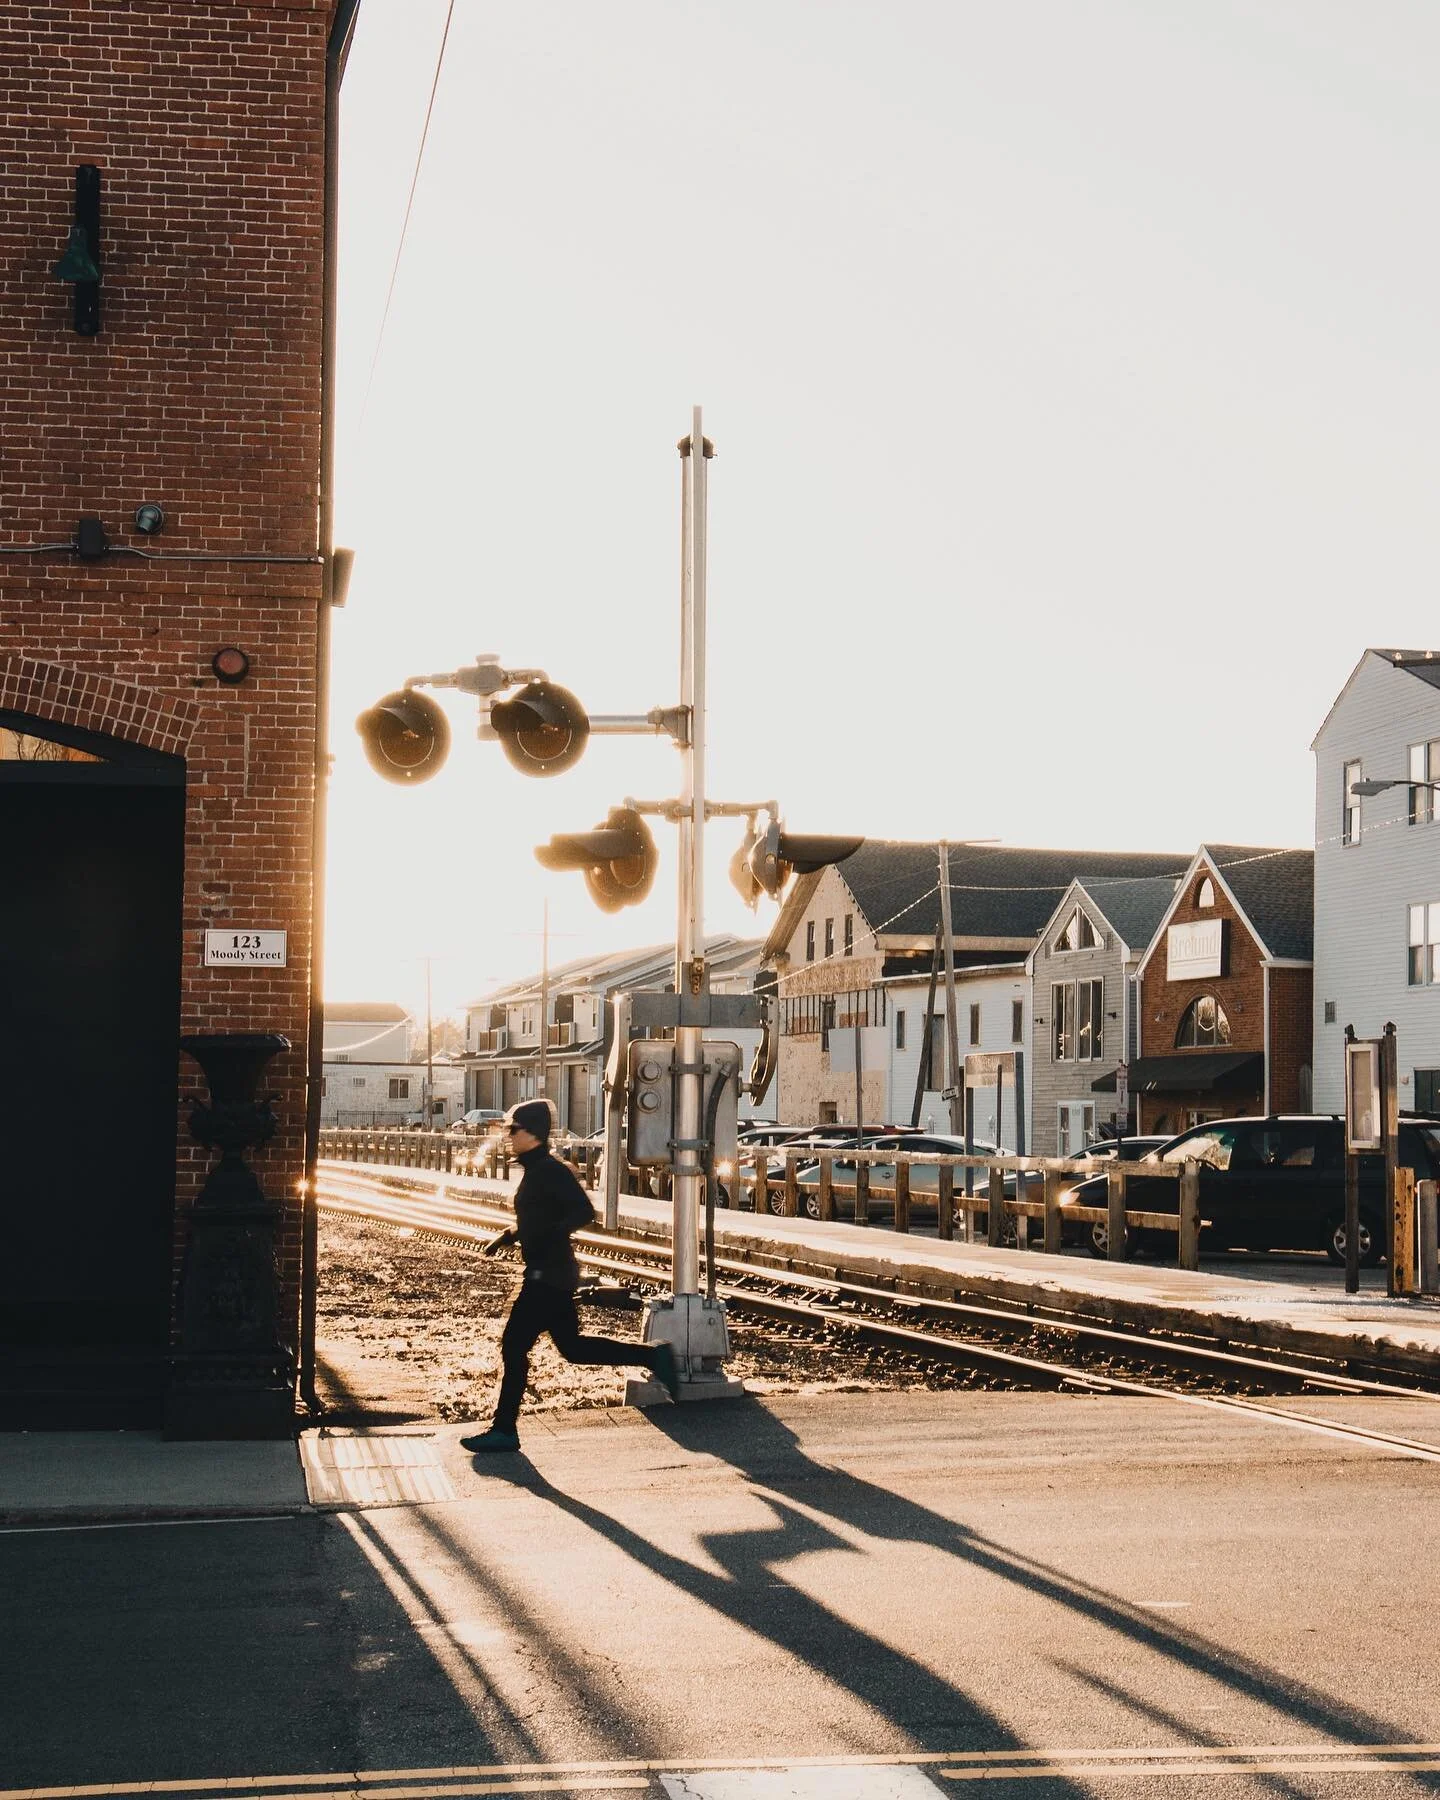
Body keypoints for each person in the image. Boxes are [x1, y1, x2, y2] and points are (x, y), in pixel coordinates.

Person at [460, 1098, 679, 1453]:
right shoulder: (537, 1169)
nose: (508, 1136)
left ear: (531, 1133)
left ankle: (504, 1429)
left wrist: (546, 1234)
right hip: (551, 1274)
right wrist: (511, 1235)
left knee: (514, 1346)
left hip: (547, 1275)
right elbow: (539, 1214)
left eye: (513, 1129)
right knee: (572, 1348)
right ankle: (652, 1356)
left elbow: (582, 1211)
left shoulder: (549, 1169)